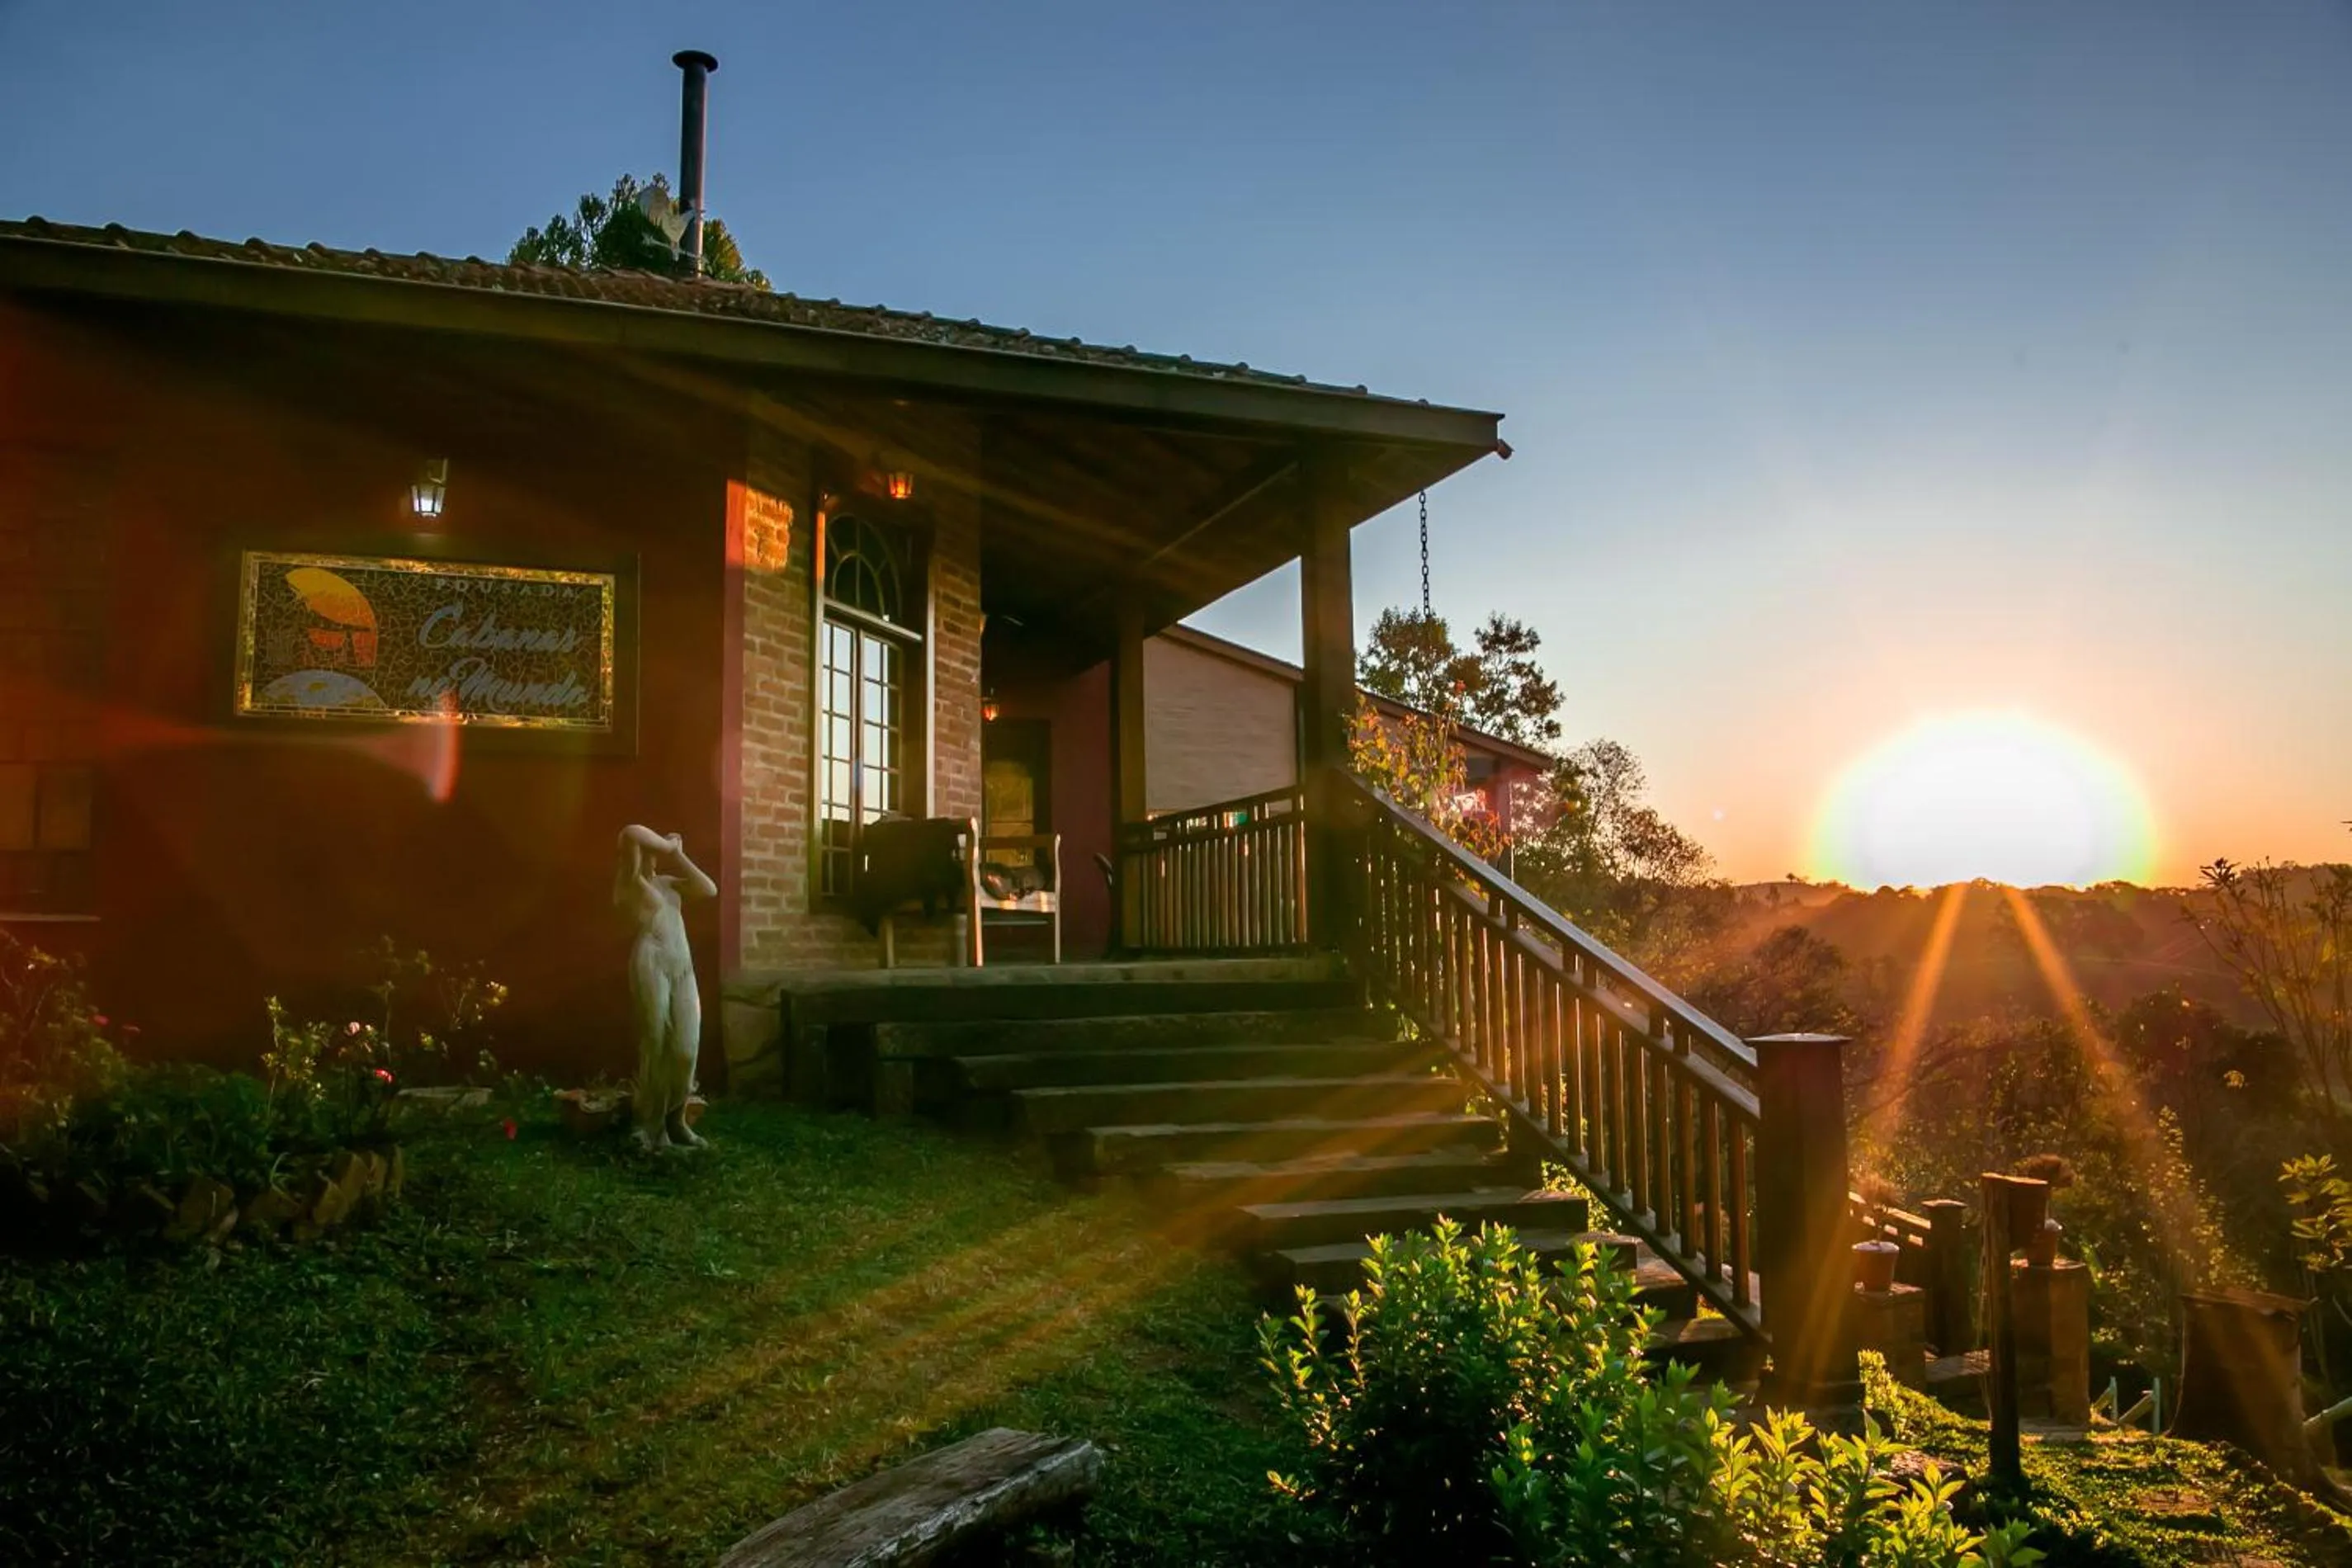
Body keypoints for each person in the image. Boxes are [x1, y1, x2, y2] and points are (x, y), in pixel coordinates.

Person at [614, 824, 717, 1150]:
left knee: (687, 1048)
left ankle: (676, 1119)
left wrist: (680, 855)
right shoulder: (630, 885)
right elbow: (632, 832)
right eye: (650, 853)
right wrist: (667, 845)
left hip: (682, 967)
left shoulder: (669, 884)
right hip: (651, 963)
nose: (653, 859)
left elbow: (708, 889)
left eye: (655, 854)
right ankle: (649, 1124)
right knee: (656, 1041)